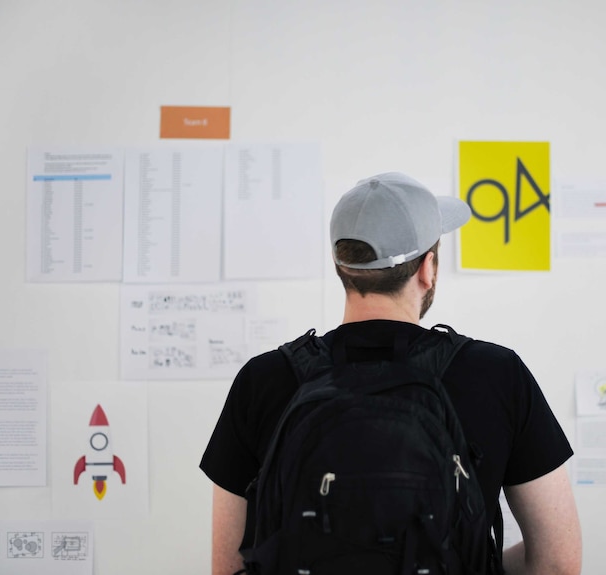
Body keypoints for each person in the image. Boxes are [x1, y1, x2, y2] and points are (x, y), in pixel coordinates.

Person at [200, 172, 582, 575]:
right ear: (427, 269)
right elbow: (558, 562)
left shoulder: (263, 380)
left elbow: (229, 567)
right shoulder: (497, 375)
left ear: (341, 268)